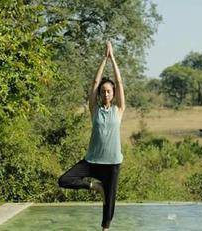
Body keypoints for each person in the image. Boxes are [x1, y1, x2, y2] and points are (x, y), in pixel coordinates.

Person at [58, 41, 125, 230]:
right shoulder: (94, 109)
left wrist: (113, 59)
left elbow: (120, 83)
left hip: (112, 163)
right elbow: (95, 83)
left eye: (109, 91)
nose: (105, 93)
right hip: (92, 161)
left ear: (113, 94)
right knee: (64, 180)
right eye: (103, 91)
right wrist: (104, 58)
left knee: (110, 202)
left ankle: (105, 228)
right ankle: (95, 187)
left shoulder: (119, 109)